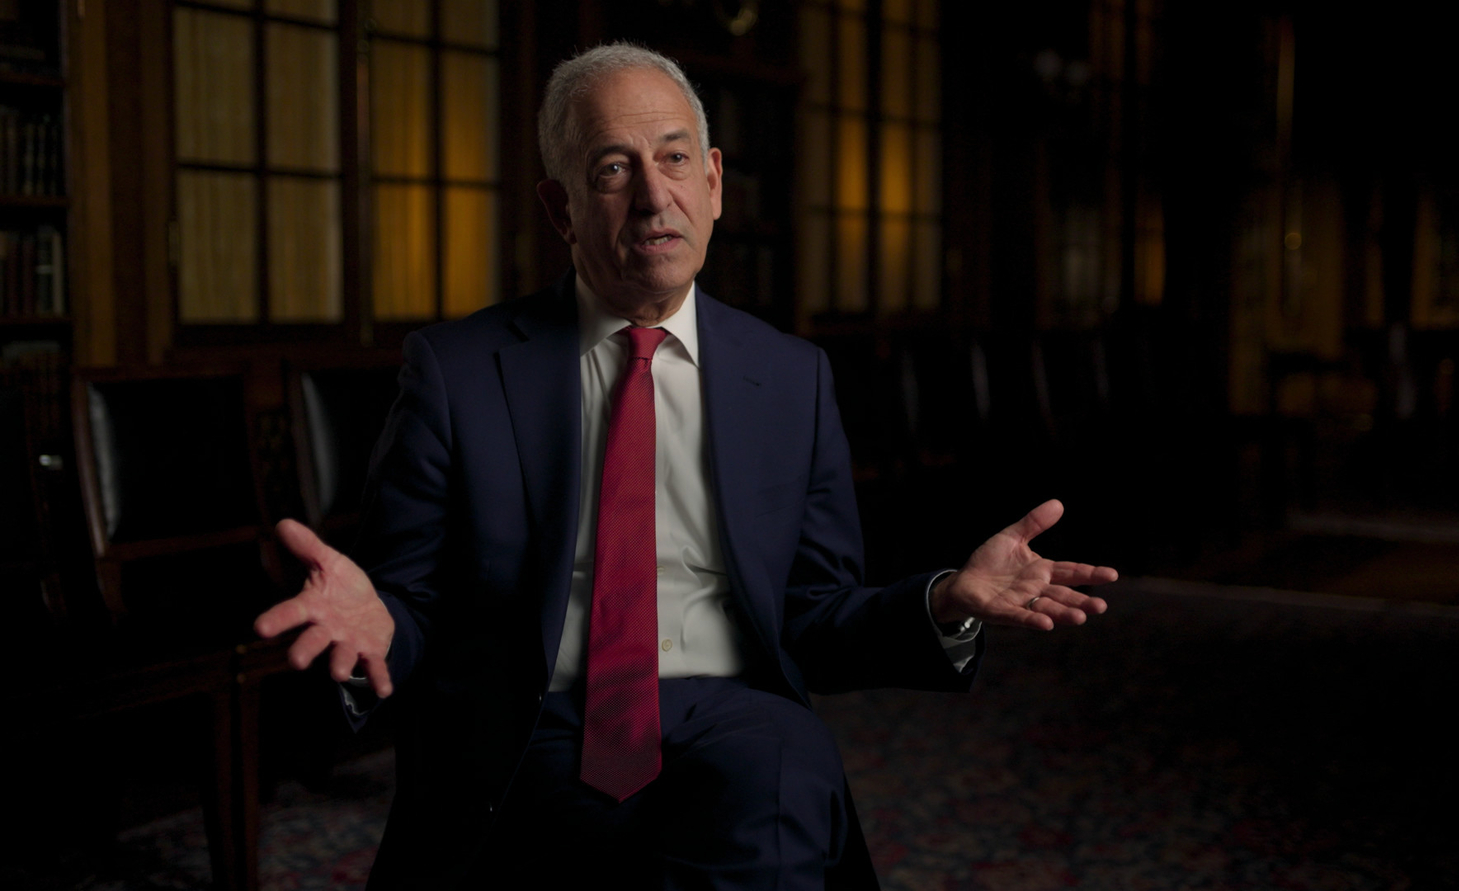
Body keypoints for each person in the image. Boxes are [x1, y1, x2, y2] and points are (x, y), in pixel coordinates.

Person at [254, 42, 1117, 890]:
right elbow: (407, 603)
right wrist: (377, 623)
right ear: (560, 208)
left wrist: (944, 600)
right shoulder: (459, 372)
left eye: (673, 159)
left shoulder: (791, 376)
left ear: (713, 182)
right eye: (612, 169)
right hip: (533, 717)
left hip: (729, 707)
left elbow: (814, 615)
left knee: (782, 776)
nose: (652, 197)